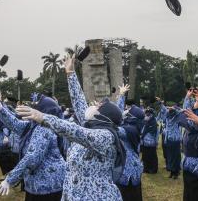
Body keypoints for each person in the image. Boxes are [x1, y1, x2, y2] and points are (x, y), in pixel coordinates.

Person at [13, 54, 124, 200]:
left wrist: (43, 117)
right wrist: (70, 74)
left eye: (98, 105)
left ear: (103, 116)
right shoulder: (90, 127)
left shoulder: (106, 136)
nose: (93, 104)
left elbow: (75, 132)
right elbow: (79, 103)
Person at [0, 93, 66, 201]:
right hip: (39, 183)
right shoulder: (34, 125)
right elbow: (15, 124)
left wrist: (10, 179)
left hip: (47, 186)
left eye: (37, 106)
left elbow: (32, 157)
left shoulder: (45, 129)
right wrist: (0, 109)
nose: (33, 108)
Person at [115, 84, 145, 201]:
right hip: (134, 167)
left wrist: (122, 96)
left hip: (126, 171)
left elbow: (114, 122)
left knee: (128, 196)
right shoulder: (135, 127)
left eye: (127, 112)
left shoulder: (127, 130)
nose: (125, 113)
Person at [157, 100, 182, 179]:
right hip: (168, 139)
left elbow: (180, 111)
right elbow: (164, 110)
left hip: (176, 140)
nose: (169, 112)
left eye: (171, 111)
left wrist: (174, 108)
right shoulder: (167, 117)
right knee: (170, 156)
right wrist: (161, 103)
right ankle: (171, 171)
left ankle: (176, 172)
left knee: (176, 156)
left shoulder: (177, 117)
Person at [140, 107, 158, 174]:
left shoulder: (154, 122)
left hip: (151, 143)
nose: (147, 115)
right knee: (145, 156)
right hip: (144, 143)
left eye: (148, 114)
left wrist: (156, 142)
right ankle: (146, 168)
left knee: (152, 157)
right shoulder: (144, 121)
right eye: (146, 113)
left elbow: (156, 133)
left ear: (151, 114)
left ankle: (153, 169)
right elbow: (142, 131)